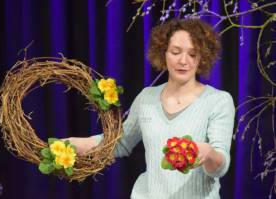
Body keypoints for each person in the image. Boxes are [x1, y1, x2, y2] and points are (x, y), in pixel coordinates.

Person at [66, 18, 235, 199]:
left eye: (192, 54)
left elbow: (220, 166)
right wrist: (74, 144)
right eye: (176, 52)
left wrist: (208, 153)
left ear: (202, 58)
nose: (183, 61)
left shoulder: (218, 101)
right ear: (163, 53)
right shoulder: (147, 98)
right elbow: (121, 143)